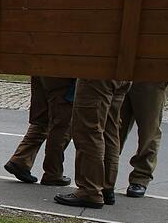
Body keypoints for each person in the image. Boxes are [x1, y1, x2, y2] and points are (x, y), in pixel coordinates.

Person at [54, 79, 130, 209]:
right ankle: (106, 186)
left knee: (88, 130)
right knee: (110, 129)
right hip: (122, 74)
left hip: (98, 73)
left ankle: (90, 190)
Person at [3, 76, 75, 185]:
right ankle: (53, 173)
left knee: (42, 120)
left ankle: (20, 160)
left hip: (40, 67)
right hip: (61, 71)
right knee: (62, 125)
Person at [119, 81, 168, 198]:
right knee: (114, 129)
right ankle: (105, 174)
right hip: (123, 73)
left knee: (149, 131)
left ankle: (141, 177)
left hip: (153, 76)